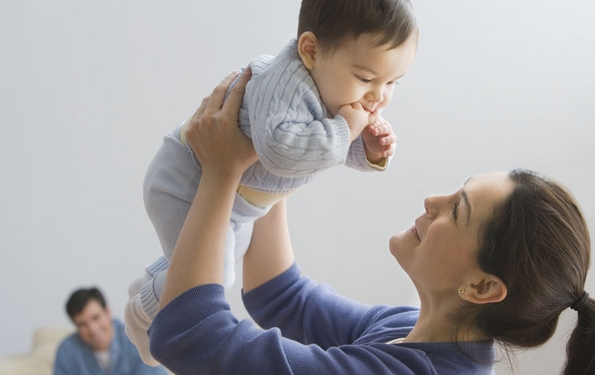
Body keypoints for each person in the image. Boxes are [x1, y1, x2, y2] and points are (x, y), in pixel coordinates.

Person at [147, 71, 595, 375]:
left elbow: (189, 336)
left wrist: (222, 172)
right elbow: (282, 298)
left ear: (482, 288)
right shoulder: (419, 333)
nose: (433, 200)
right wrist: (284, 154)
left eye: (457, 210)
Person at [125, 0, 419, 365]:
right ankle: (143, 312)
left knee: (220, 257)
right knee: (217, 272)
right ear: (310, 51)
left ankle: (154, 286)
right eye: (365, 78)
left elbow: (322, 148)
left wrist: (367, 149)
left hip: (236, 200)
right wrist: (346, 129)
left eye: (392, 82)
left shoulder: (330, 85)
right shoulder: (285, 86)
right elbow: (283, 151)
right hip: (185, 180)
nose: (379, 96)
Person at [53, 287, 167, 375]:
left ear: (107, 312)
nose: (93, 329)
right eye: (82, 324)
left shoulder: (135, 338)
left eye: (96, 317)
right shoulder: (67, 351)